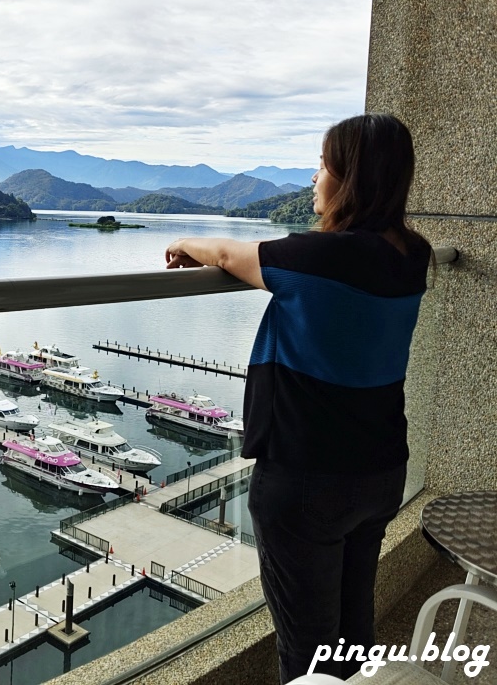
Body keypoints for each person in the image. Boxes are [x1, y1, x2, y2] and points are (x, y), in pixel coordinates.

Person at [164, 113, 432, 683]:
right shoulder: (414, 253)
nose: (313, 178)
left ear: (350, 176)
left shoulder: (321, 256)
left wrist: (185, 241)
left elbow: (231, 255)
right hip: (382, 467)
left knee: (305, 646)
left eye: (322, 164)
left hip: (307, 475)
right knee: (354, 625)